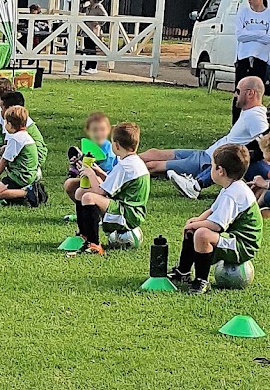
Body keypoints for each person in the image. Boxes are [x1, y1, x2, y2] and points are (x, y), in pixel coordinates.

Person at [168, 144, 263, 294]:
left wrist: (197, 225)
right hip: (233, 237)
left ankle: (201, 281)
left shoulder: (234, 193)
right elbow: (213, 210)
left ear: (220, 171)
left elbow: (217, 225)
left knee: (202, 234)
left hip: (243, 244)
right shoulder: (230, 187)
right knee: (193, 229)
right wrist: (195, 221)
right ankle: (183, 272)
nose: (210, 169)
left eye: (211, 166)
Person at [143, 76, 267, 189]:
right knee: (153, 153)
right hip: (205, 154)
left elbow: (266, 144)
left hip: (208, 163)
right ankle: (125, 158)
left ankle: (128, 168)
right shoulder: (249, 112)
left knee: (153, 166)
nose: (235, 95)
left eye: (238, 91)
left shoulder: (256, 116)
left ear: (250, 93)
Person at [67, 122, 149, 256]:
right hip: (128, 210)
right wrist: (98, 172)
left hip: (128, 214)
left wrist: (90, 174)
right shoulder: (133, 161)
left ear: (116, 145)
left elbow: (100, 191)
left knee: (88, 197)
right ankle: (84, 236)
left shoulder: (125, 166)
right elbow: (114, 183)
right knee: (81, 191)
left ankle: (94, 245)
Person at [0, 105, 39, 206]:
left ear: (10, 124)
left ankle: (29, 193)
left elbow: (4, 160)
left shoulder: (16, 139)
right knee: (2, 190)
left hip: (21, 175)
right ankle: (18, 196)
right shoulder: (24, 136)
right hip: (28, 173)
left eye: (5, 122)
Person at [232, 0, 270, 122]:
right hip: (243, 58)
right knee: (240, 91)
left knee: (255, 94)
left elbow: (269, 38)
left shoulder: (268, 15)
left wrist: (251, 33)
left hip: (261, 59)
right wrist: (260, 34)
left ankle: (253, 123)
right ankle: (236, 124)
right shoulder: (243, 12)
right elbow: (240, 35)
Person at [63, 112, 118, 202]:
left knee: (81, 192)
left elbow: (106, 176)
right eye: (95, 130)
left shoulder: (109, 150)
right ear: (88, 131)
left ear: (108, 130)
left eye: (102, 129)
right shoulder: (90, 147)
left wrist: (88, 168)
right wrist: (79, 163)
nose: (99, 133)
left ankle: (94, 213)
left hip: (107, 184)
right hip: (90, 178)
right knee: (69, 184)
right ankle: (81, 212)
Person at [82, 0, 108, 74]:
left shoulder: (99, 7)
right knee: (87, 48)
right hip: (87, 29)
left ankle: (93, 66)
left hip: (93, 30)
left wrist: (97, 22)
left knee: (92, 48)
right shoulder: (89, 7)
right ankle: (88, 66)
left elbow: (105, 17)